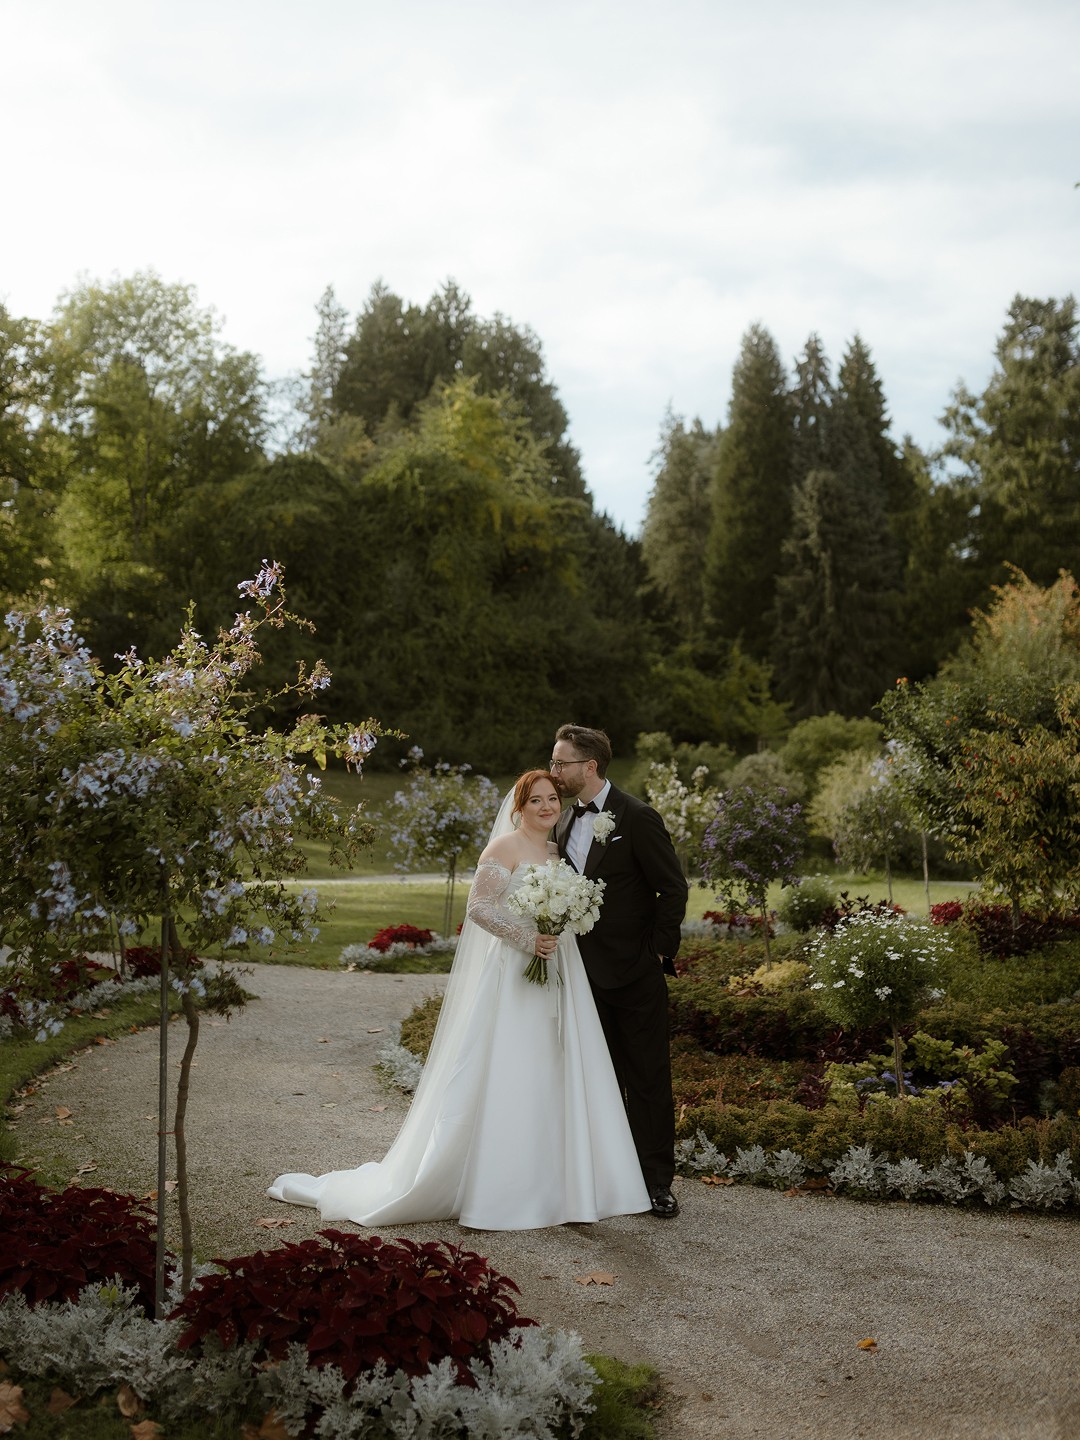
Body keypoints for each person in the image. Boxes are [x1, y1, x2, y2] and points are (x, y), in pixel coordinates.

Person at [268, 770, 650, 1230]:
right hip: (515, 972)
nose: (547, 807)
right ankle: (501, 1186)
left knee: (555, 1066)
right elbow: (479, 907)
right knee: (512, 1067)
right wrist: (526, 939)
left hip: (559, 970)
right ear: (519, 807)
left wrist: (555, 929)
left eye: (552, 798)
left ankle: (559, 1185)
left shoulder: (556, 852)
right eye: (536, 800)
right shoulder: (503, 848)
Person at [550, 724, 687, 1218]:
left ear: (589, 766)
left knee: (647, 1079)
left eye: (560, 763)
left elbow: (673, 888)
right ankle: (604, 1179)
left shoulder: (638, 816)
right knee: (594, 1080)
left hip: (634, 974)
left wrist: (656, 953)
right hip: (579, 976)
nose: (553, 771)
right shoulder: (562, 821)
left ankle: (656, 1182)